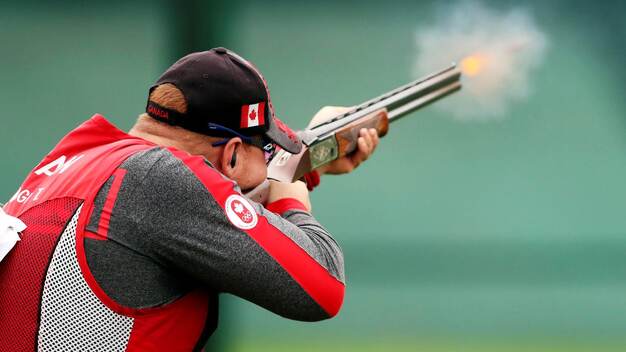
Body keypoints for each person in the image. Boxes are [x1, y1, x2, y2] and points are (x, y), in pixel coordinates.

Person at [0, 47, 379, 351]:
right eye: (265, 151)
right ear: (231, 153)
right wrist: (290, 192)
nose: (269, 164)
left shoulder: (79, 155)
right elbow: (323, 286)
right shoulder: (161, 179)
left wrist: (309, 165)